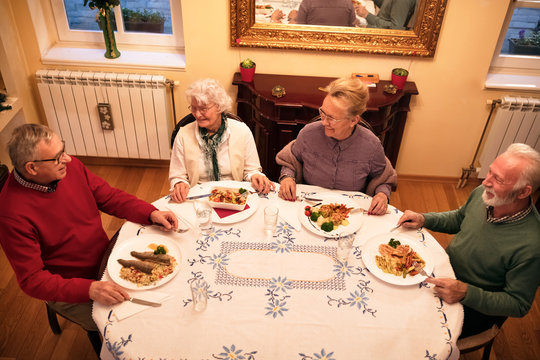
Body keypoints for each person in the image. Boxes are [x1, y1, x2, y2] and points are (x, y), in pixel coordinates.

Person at [0, 124, 178, 352]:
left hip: (106, 259)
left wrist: (149, 212)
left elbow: (109, 197)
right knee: (137, 326)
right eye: (57, 157)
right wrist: (90, 289)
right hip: (71, 285)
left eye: (63, 149)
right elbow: (32, 280)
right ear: (32, 168)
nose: (68, 159)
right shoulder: (11, 214)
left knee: (165, 293)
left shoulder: (68, 168)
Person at [398, 143, 540, 338]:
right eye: (490, 171)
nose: (486, 182)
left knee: (405, 330)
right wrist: (424, 219)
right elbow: (459, 218)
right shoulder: (485, 194)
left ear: (523, 192)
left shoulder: (533, 245)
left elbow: (518, 304)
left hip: (472, 307)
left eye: (498, 179)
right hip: (443, 272)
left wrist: (466, 292)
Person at [276, 77, 397, 215]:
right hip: (309, 207)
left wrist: (382, 194)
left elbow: (384, 177)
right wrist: (287, 177)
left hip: (350, 213)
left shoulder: (372, 146)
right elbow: (290, 160)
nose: (324, 123)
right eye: (322, 113)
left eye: (332, 118)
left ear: (353, 120)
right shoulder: (308, 134)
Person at [169, 78, 274, 203]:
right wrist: (179, 182)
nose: (197, 114)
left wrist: (256, 176)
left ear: (219, 106)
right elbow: (177, 175)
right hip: (199, 199)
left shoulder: (241, 131)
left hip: (234, 198)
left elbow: (251, 170)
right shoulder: (183, 135)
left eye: (203, 109)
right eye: (193, 108)